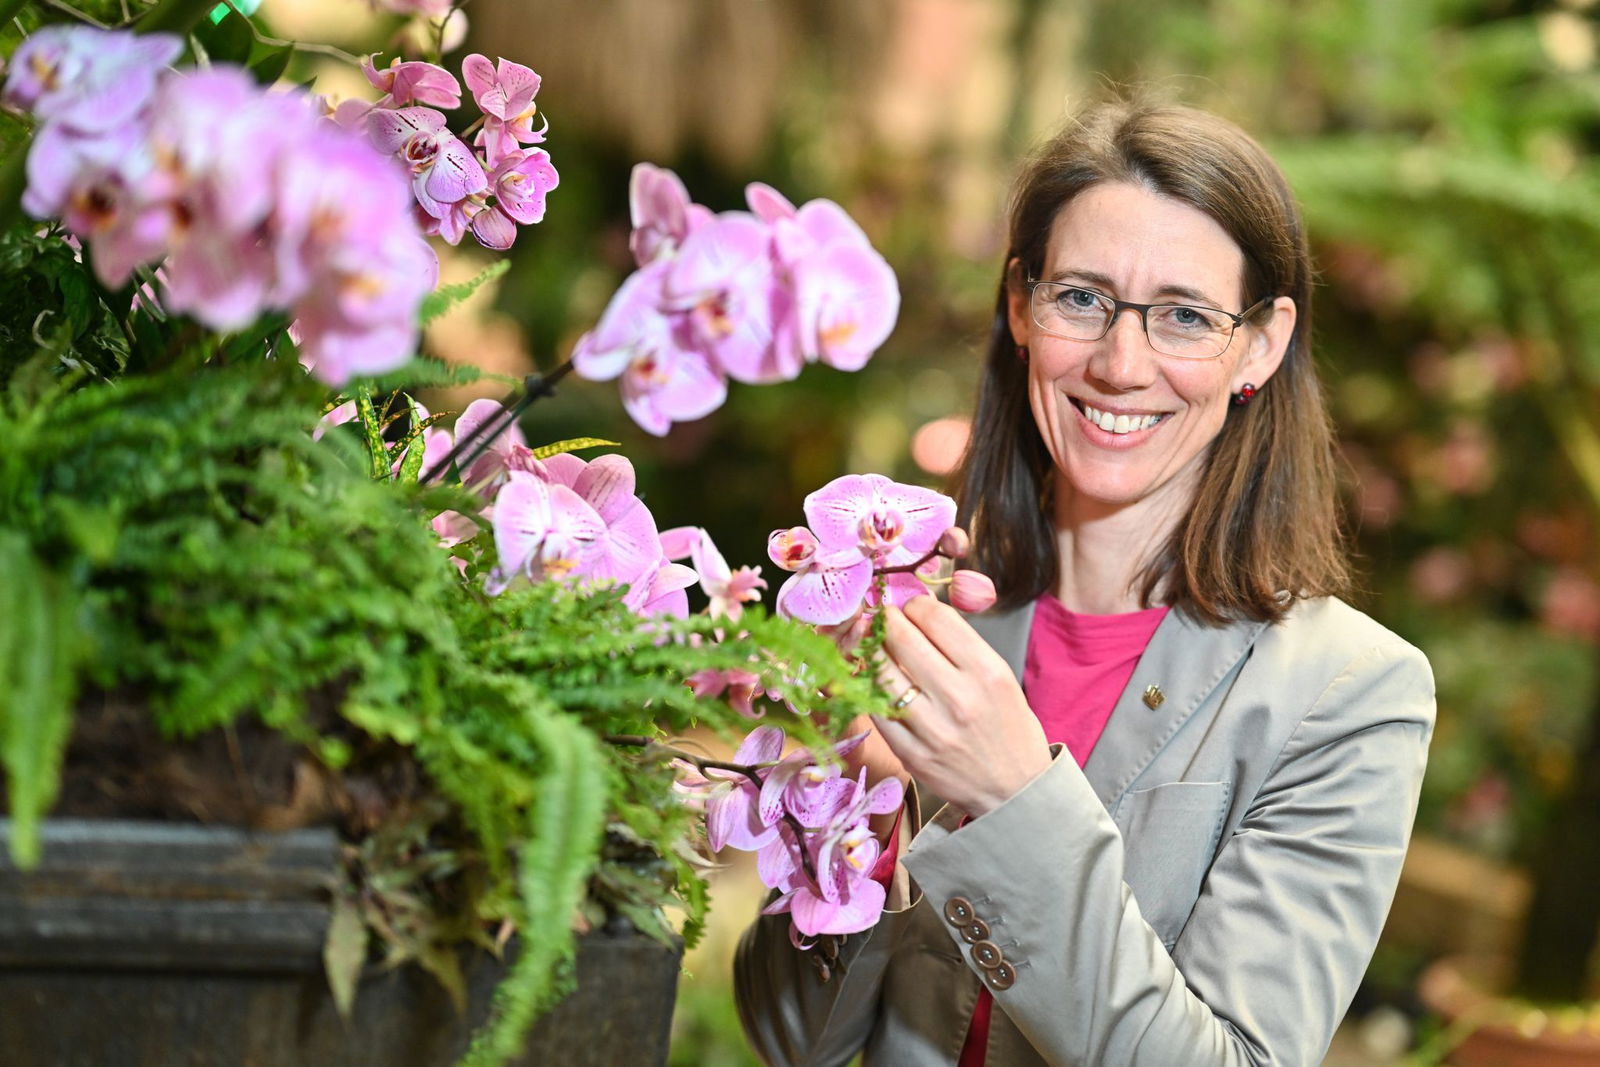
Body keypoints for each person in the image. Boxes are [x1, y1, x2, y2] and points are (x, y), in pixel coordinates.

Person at [733, 96, 1435, 1067]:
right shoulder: (928, 619)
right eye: (1080, 298)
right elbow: (790, 1041)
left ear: (1261, 344)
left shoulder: (1345, 693)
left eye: (1184, 315)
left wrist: (1013, 799)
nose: (1118, 362)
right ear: (1021, 304)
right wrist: (864, 830)